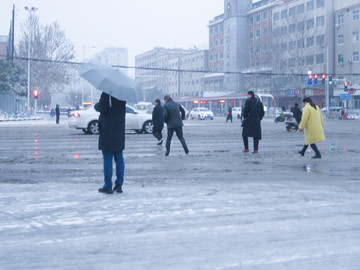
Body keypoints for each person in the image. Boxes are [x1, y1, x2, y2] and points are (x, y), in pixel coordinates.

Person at [94, 92, 126, 194]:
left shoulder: (106, 94)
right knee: (119, 158)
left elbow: (103, 108)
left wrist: (97, 105)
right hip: (119, 131)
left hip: (107, 131)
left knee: (107, 158)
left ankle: (108, 186)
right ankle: (119, 185)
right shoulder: (122, 95)